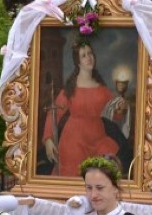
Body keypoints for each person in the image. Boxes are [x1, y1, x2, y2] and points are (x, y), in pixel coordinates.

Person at [42, 41, 130, 177]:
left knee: (103, 172)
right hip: (73, 141)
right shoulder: (70, 88)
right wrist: (48, 139)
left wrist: (121, 109)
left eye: (90, 53)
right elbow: (54, 112)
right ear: (78, 62)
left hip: (97, 137)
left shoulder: (102, 89)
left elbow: (115, 115)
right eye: (83, 55)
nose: (89, 58)